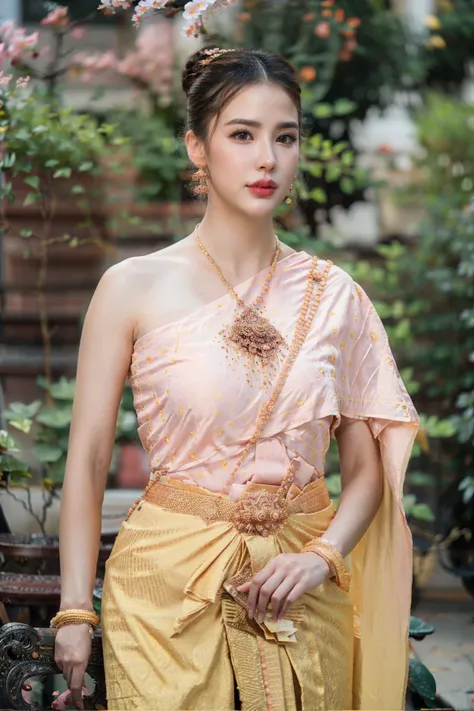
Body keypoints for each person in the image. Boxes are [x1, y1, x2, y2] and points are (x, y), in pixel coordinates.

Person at [53, 46, 419, 711]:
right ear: (198, 146)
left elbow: (366, 472)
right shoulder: (131, 289)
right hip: (167, 594)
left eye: (285, 137)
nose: (267, 159)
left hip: (303, 591)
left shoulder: (336, 298)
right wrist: (75, 610)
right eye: (242, 134)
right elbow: (87, 459)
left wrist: (320, 557)